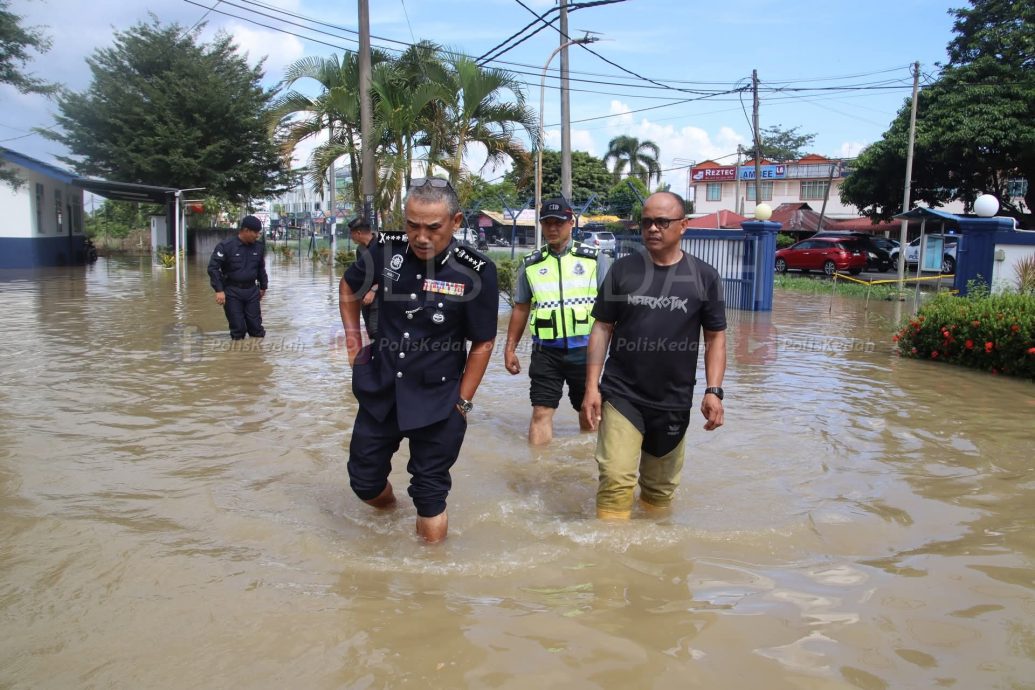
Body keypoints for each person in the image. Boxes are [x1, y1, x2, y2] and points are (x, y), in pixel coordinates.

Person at [339, 178, 499, 543]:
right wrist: (353, 344)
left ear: (456, 222)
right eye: (412, 225)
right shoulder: (385, 250)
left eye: (433, 227)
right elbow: (349, 286)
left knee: (430, 496)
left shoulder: (475, 270)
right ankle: (392, 515)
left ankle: (429, 586)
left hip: (438, 400)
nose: (421, 236)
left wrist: (463, 401)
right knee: (363, 482)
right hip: (381, 389)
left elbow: (483, 341)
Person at [581, 191, 727, 520]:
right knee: (616, 479)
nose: (653, 229)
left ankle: (653, 566)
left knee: (659, 493)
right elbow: (601, 328)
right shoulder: (623, 271)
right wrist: (592, 386)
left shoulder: (704, 277)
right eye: (647, 222)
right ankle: (609, 564)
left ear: (683, 225)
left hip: (673, 399)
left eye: (662, 221)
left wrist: (713, 390)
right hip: (622, 394)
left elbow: (715, 337)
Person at [504, 196, 609, 444]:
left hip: (586, 351)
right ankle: (538, 475)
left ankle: (586, 467)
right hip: (545, 352)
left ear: (571, 222)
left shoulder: (594, 259)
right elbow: (521, 308)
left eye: (558, 222)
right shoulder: (531, 264)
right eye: (547, 222)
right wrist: (509, 349)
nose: (552, 228)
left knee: (589, 412)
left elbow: (610, 311)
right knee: (541, 411)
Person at [207, 215, 268, 340]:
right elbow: (213, 268)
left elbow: (261, 268)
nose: (257, 236)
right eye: (255, 232)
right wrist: (219, 290)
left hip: (252, 291)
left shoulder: (259, 247)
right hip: (232, 292)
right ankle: (237, 355)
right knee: (238, 329)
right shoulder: (226, 246)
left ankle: (255, 358)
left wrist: (263, 287)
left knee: (256, 329)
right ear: (246, 230)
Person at [346, 215, 379, 339]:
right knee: (370, 331)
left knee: (376, 330)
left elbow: (390, 274)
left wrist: (373, 290)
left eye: (351, 233)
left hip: (380, 296)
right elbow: (362, 274)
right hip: (365, 298)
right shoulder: (360, 250)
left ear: (358, 233)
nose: (350, 237)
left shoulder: (382, 246)